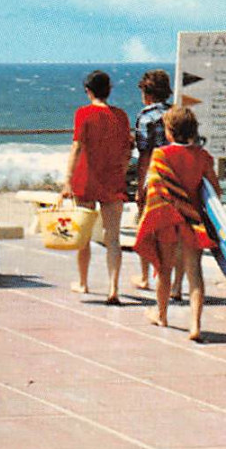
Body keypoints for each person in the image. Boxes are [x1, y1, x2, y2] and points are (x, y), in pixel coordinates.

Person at [134, 106, 218, 340]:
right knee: (195, 274)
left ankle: (162, 315)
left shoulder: (161, 155)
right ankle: (195, 325)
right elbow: (215, 191)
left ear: (169, 132)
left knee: (164, 270)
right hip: (193, 221)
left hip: (168, 220)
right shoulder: (203, 156)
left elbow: (154, 190)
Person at [61, 69, 131, 303]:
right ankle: (113, 288)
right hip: (112, 179)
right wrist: (121, 172)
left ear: (88, 91)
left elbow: (76, 147)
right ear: (108, 91)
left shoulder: (83, 114)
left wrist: (67, 180)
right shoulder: (121, 116)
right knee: (113, 238)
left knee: (84, 235)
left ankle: (83, 282)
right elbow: (126, 152)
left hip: (86, 178)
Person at [132, 69, 174, 295]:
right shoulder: (177, 113)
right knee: (175, 230)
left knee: (147, 226)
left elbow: (144, 155)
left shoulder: (146, 116)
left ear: (147, 92)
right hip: (177, 177)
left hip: (155, 177)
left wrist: (140, 186)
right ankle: (175, 285)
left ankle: (145, 276)